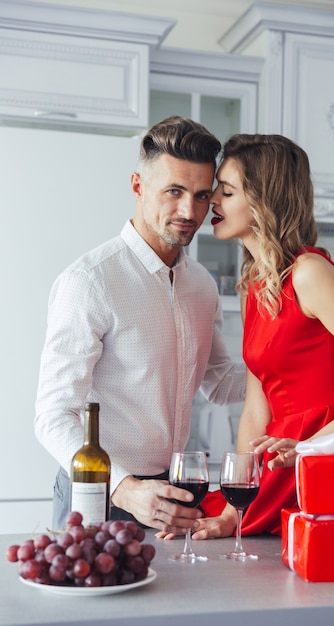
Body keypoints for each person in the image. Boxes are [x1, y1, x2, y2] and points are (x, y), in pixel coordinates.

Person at [189, 133, 334, 539]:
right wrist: (238, 499)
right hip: (285, 461)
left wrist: (315, 446)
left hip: (329, 459)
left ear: (262, 200)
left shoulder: (310, 273)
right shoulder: (256, 286)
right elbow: (257, 409)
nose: (213, 202)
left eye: (227, 191)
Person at [34, 116, 246, 534]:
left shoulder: (202, 286)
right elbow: (54, 415)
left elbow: (220, 383)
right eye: (174, 191)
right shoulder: (90, 281)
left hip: (172, 494)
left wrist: (293, 363)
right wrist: (126, 489)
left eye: (202, 195)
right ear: (137, 186)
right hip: (98, 491)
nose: (189, 211)